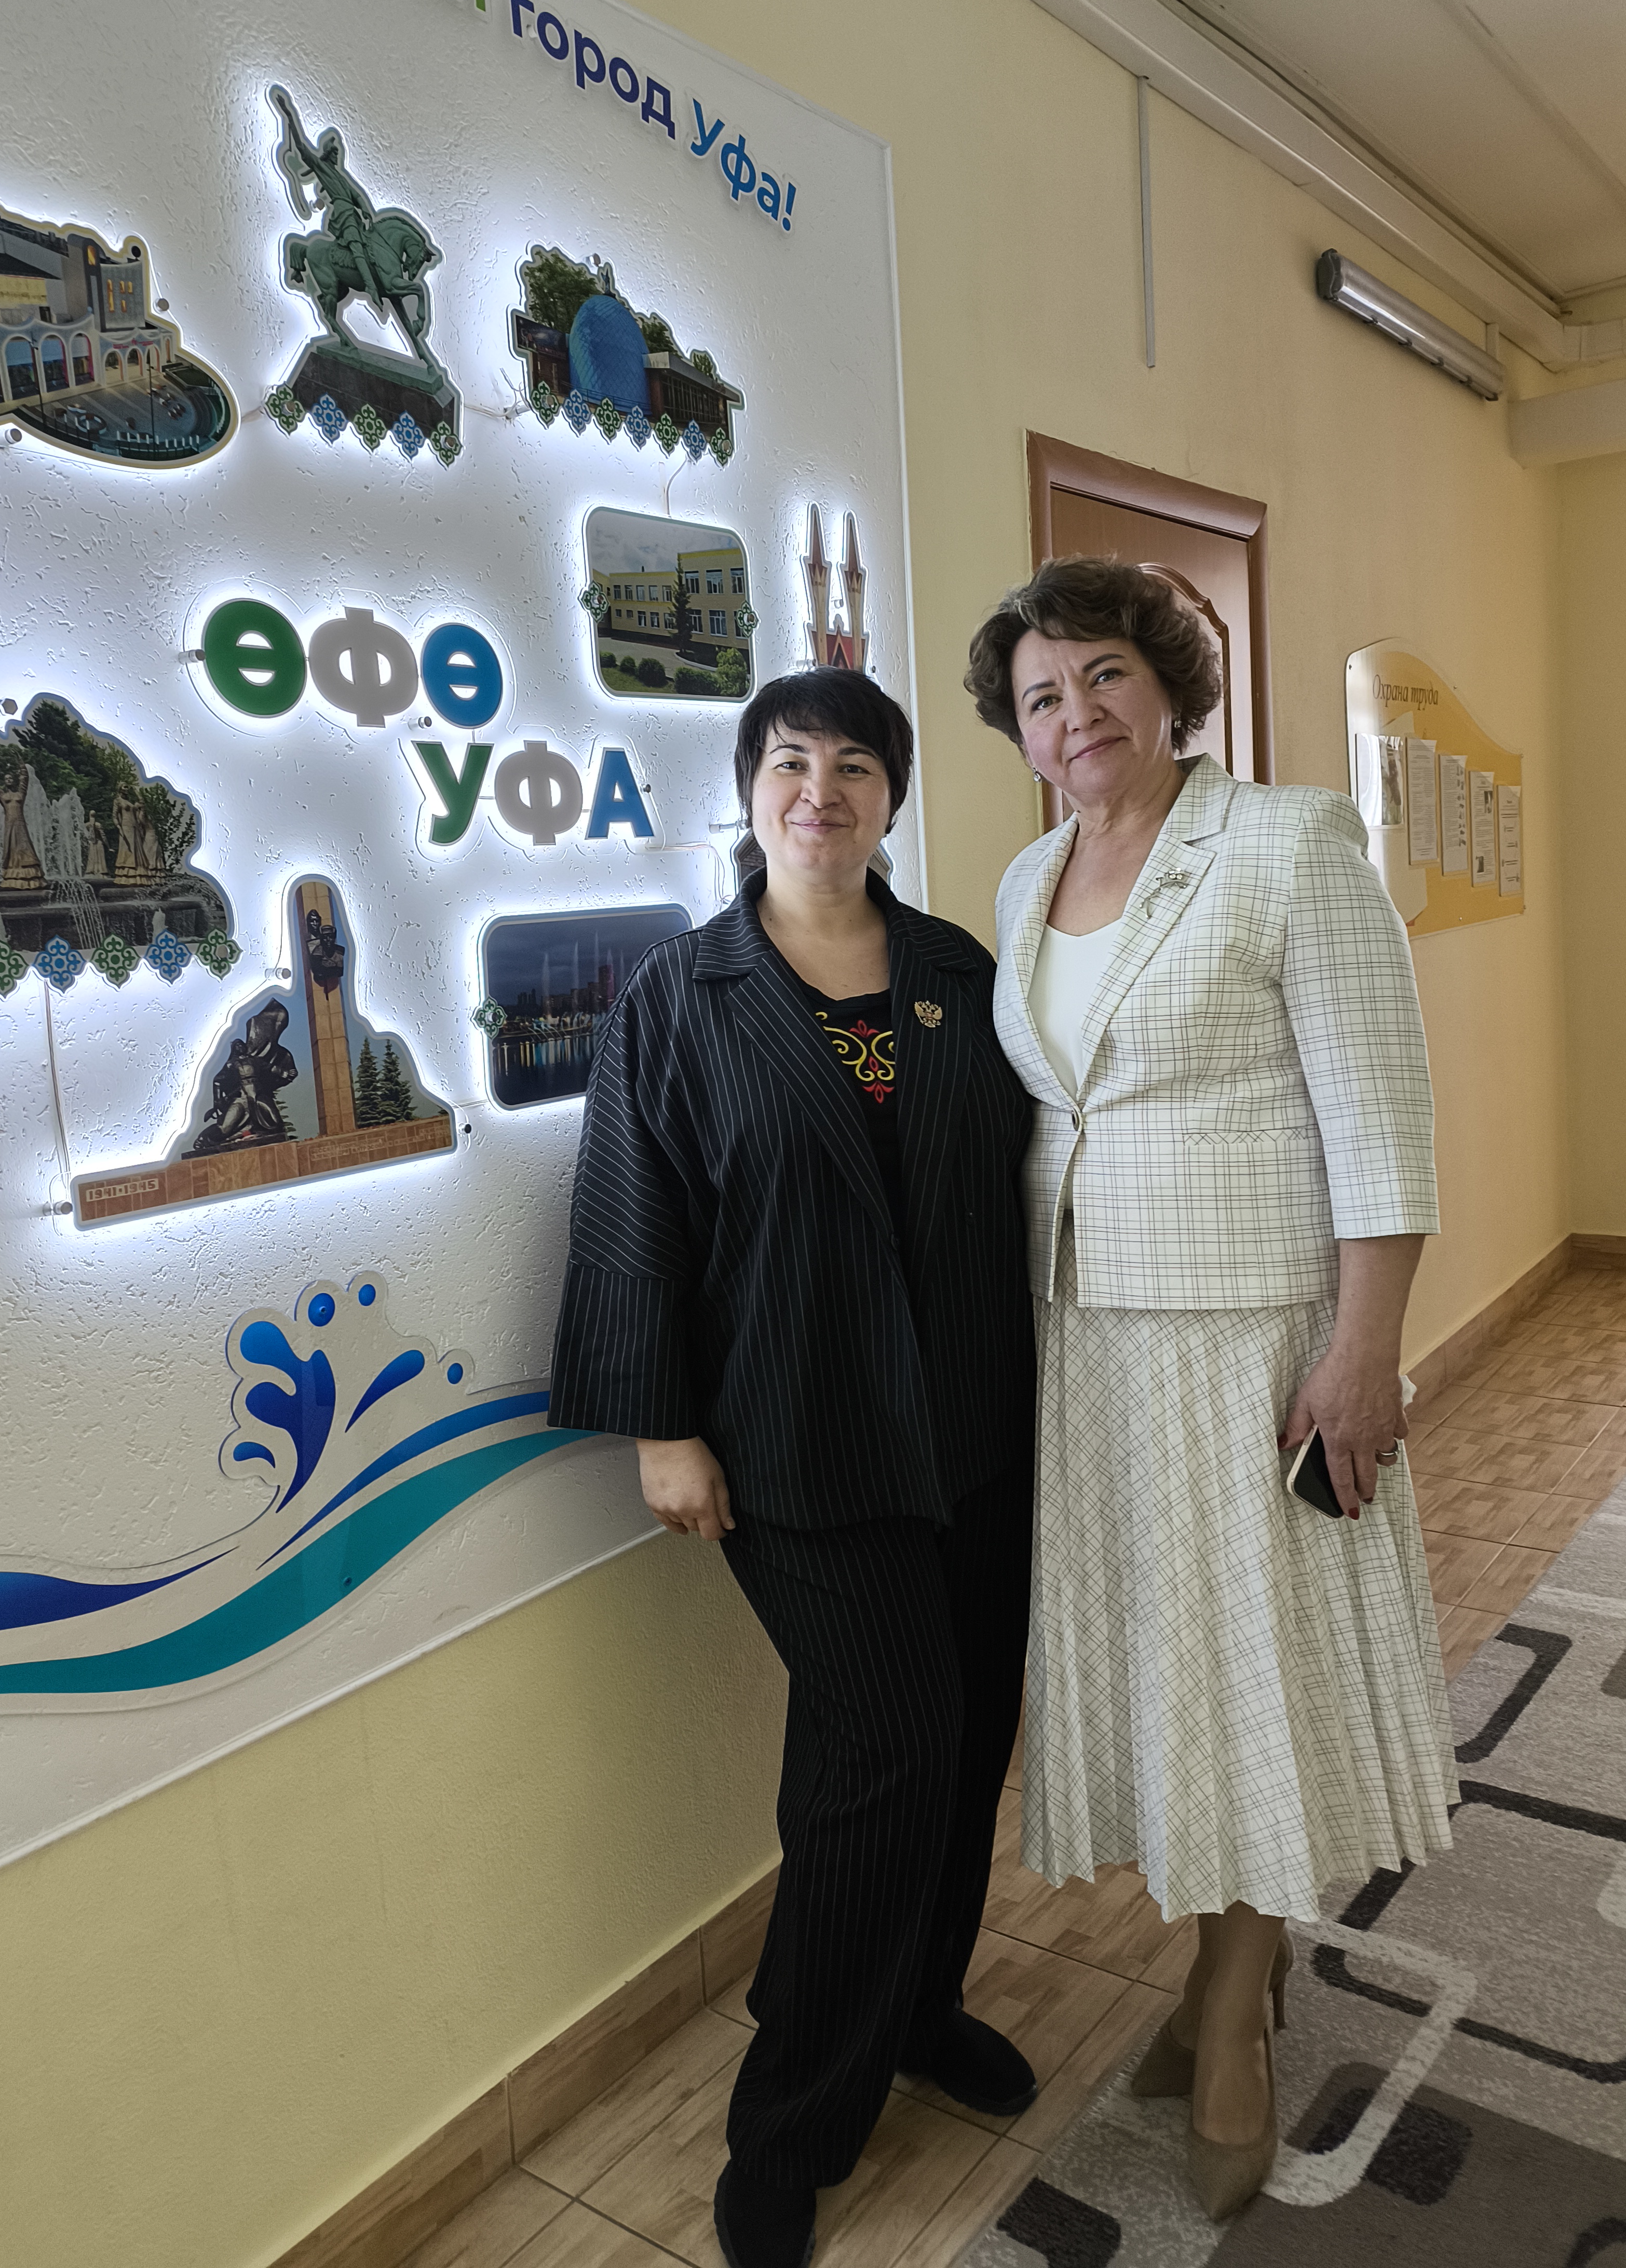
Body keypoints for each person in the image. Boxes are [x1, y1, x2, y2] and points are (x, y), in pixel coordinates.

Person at [966, 558, 1456, 2221]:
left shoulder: (1290, 843)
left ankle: (1234, 2003)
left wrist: (1364, 1349)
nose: (1077, 715)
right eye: (1042, 696)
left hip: (1254, 1338)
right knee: (1171, 1671)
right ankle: (1216, 1965)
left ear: (1171, 682)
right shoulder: (1028, 877)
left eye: (1104, 674)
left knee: (1259, 1671)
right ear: (1021, 733)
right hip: (1085, 1340)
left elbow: (1381, 1116)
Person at [549, 670, 1038, 2268]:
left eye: (853, 766)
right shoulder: (679, 997)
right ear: (750, 789)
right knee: (888, 1750)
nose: (819, 790)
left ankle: (919, 2010)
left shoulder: (960, 972)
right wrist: (662, 1426)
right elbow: (632, 1218)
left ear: (893, 795)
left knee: (957, 1739)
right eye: (788, 762)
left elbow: (1032, 1181)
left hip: (974, 1429)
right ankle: (792, 2122)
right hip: (795, 1439)